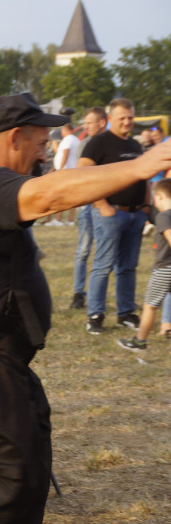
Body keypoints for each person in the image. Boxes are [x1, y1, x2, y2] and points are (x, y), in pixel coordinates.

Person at [0, 92, 171, 524]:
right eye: (41, 141)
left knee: (26, 479)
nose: (46, 151)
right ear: (14, 137)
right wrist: (142, 166)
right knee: (1, 488)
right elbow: (47, 197)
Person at [77, 98, 145, 335]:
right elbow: (83, 173)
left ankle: (125, 312)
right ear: (111, 119)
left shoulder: (136, 145)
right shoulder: (99, 142)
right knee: (103, 265)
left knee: (128, 267)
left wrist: (145, 206)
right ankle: (95, 315)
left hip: (135, 215)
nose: (127, 122)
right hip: (109, 214)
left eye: (130, 117)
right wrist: (101, 203)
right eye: (122, 118)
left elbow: (142, 175)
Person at [118, 177, 171, 351]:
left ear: (161, 197)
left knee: (150, 306)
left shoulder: (164, 216)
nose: (154, 201)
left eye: (155, 197)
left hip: (165, 268)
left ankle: (140, 342)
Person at [70, 106, 107, 310]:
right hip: (87, 205)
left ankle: (98, 298)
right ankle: (78, 293)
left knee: (105, 255)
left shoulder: (112, 142)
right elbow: (82, 175)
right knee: (83, 250)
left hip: (108, 206)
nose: (85, 126)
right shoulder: (84, 143)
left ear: (101, 122)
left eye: (89, 123)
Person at [48, 123, 81, 225]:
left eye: (62, 130)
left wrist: (60, 169)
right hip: (73, 171)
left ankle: (58, 220)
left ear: (65, 130)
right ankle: (69, 220)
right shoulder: (76, 139)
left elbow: (65, 154)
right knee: (73, 197)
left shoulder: (68, 139)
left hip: (66, 172)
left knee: (60, 196)